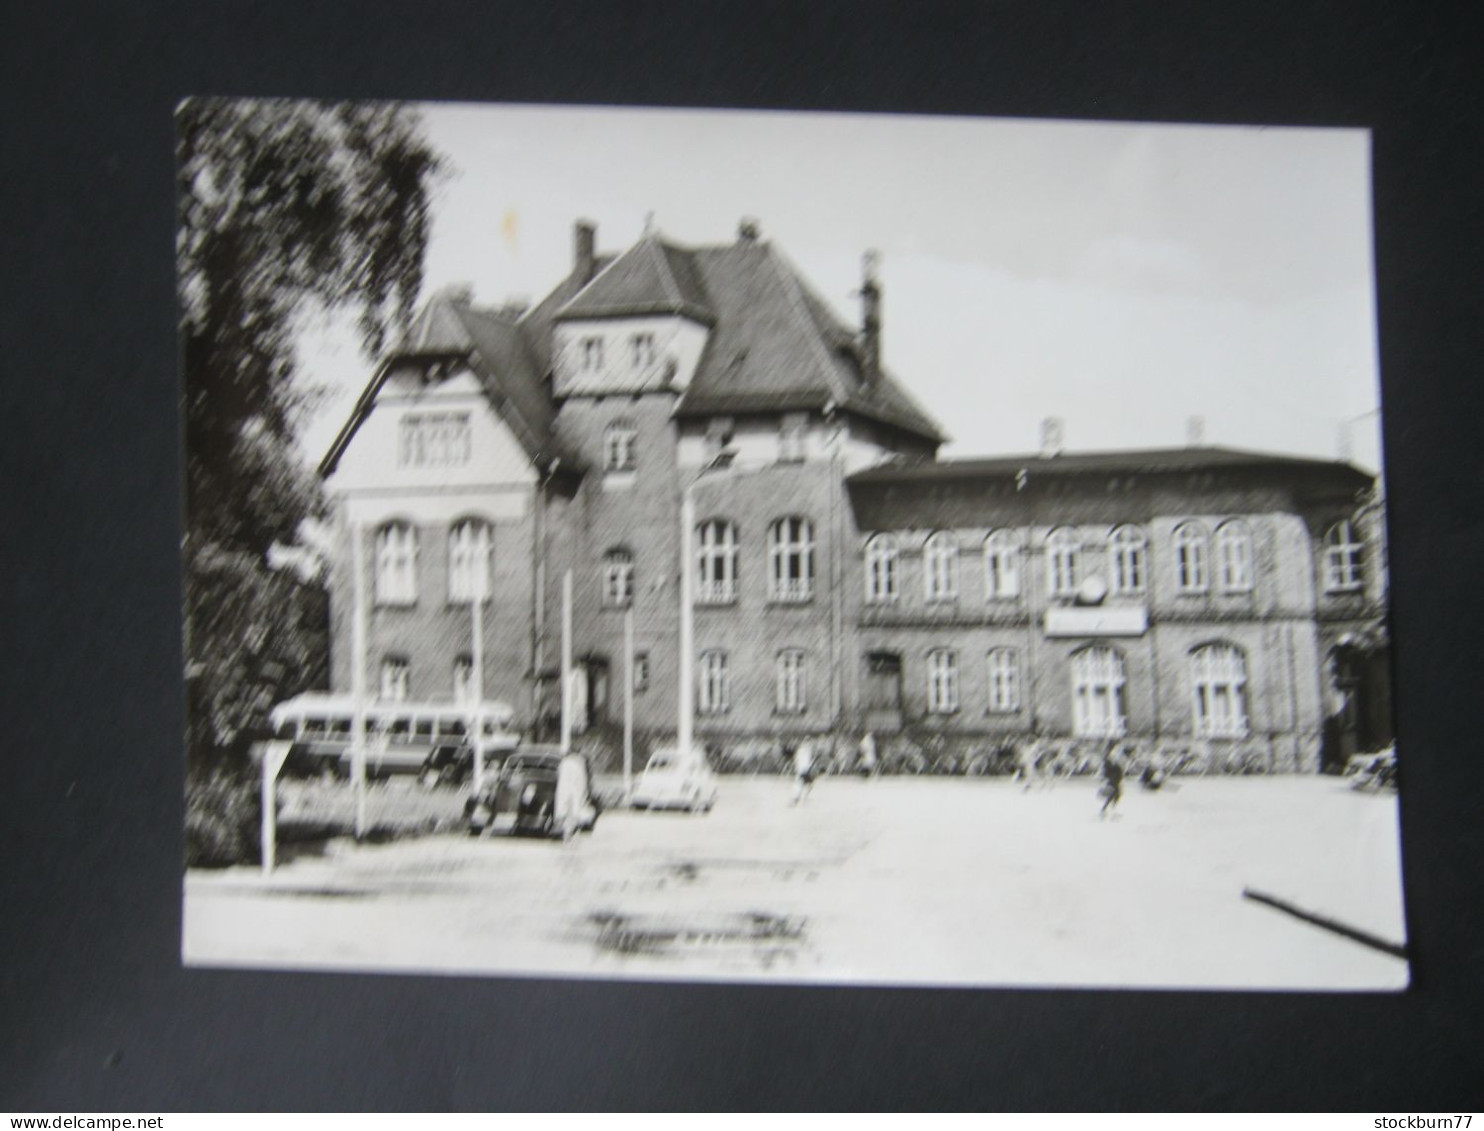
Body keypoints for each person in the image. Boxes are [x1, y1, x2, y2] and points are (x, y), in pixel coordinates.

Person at [1098, 747, 1126, 819]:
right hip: (1113, 781)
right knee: (1114, 795)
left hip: (1115, 781)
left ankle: (1107, 809)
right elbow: (1108, 772)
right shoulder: (1109, 763)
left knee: (1114, 795)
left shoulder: (1111, 763)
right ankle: (1109, 809)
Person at [792, 737, 817, 805]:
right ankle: (798, 798)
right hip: (803, 770)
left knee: (804, 784)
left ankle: (799, 798)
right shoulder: (804, 750)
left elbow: (797, 760)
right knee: (803, 784)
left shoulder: (805, 750)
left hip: (804, 769)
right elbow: (801, 760)